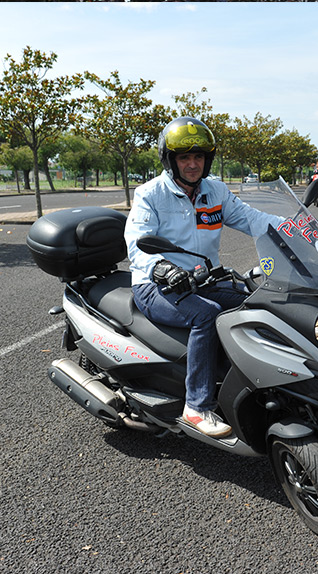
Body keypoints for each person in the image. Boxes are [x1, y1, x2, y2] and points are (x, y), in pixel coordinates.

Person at [124, 117, 282, 438]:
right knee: (206, 314)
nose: (193, 164)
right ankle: (196, 406)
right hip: (156, 284)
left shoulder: (215, 191)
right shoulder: (150, 194)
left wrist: (295, 228)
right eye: (184, 157)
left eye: (198, 157)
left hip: (204, 279)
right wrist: (162, 268)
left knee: (256, 304)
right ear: (171, 160)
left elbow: (252, 219)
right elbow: (137, 241)